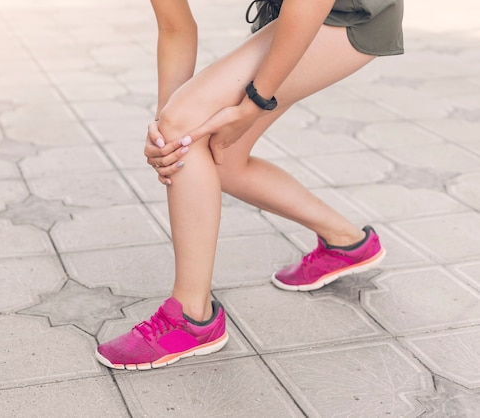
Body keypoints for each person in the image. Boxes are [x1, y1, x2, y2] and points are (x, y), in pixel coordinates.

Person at [96, 0, 403, 370]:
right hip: (289, 12)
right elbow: (176, 27)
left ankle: (191, 318)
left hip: (345, 12)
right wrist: (167, 129)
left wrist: (255, 101)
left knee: (192, 132)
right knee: (218, 158)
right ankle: (347, 242)